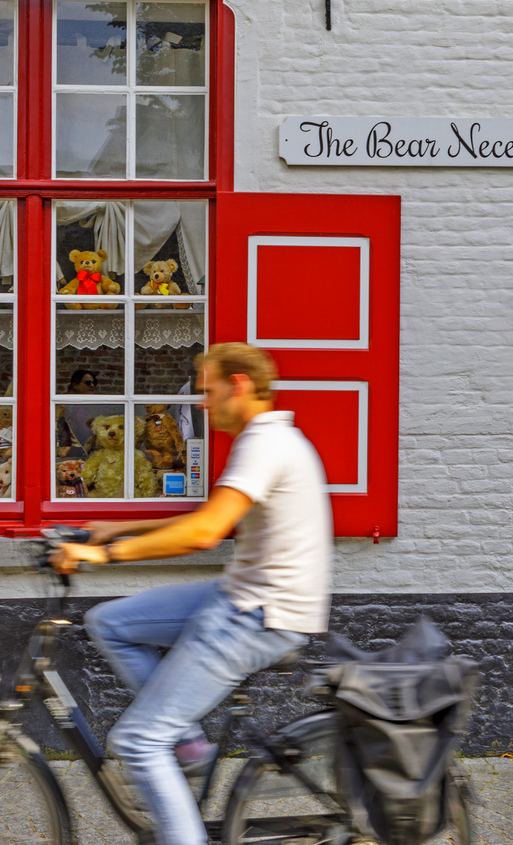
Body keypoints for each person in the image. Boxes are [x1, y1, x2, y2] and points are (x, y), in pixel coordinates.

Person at [50, 343, 332, 845]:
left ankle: (170, 753)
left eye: (207, 389)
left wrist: (105, 557)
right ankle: (188, 743)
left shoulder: (264, 444)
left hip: (257, 613)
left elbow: (204, 533)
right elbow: (213, 520)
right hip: (245, 596)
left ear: (239, 385)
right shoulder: (270, 438)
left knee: (137, 742)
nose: (202, 403)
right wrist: (116, 530)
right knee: (110, 623)